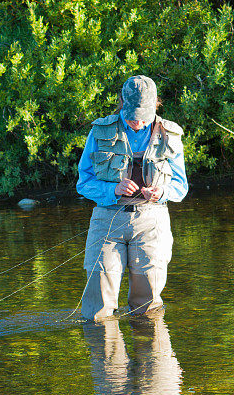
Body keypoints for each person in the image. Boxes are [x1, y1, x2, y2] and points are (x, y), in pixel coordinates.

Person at [76, 75, 188, 321]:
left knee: (147, 308)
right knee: (98, 310)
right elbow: (83, 183)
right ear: (121, 104)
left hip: (152, 222)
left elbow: (181, 186)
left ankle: (151, 356)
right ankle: (106, 356)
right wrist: (113, 190)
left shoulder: (171, 134)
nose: (137, 122)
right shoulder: (99, 131)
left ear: (156, 105)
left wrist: (162, 193)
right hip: (107, 220)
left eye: (143, 116)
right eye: (132, 115)